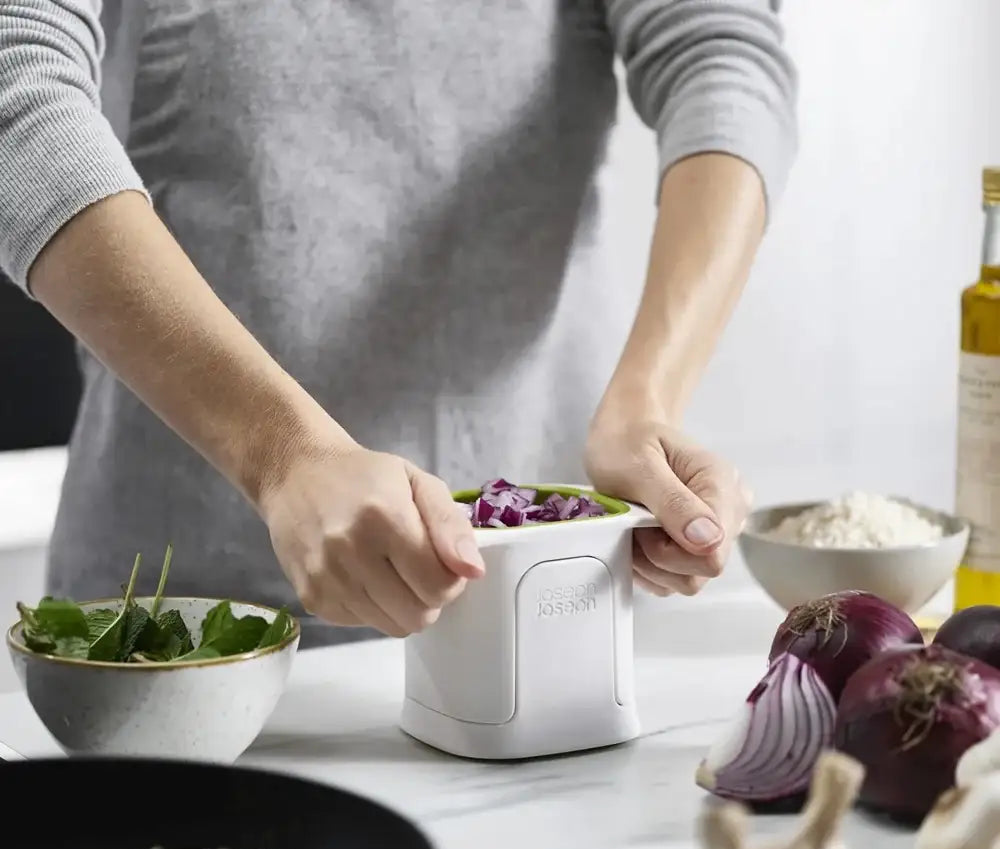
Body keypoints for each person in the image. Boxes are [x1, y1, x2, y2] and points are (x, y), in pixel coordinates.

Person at [0, 1, 796, 648]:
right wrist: (286, 455)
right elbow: (17, 77)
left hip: (557, 600)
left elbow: (721, 49)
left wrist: (647, 401)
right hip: (196, 636)